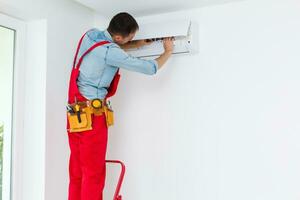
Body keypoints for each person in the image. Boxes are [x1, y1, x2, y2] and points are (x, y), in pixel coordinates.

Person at [67, 12, 173, 200]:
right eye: (130, 38)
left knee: (77, 171)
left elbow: (109, 49)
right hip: (93, 115)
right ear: (118, 37)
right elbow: (150, 68)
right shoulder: (111, 52)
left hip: (75, 112)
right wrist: (167, 52)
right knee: (94, 174)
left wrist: (136, 44)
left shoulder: (90, 35)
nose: (131, 40)